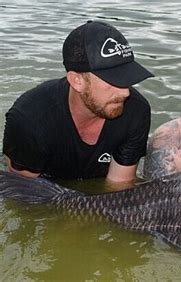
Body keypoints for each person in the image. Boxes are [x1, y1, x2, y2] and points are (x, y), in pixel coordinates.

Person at [2, 20, 154, 189]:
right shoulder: (29, 121)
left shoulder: (136, 111)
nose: (125, 92)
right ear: (77, 81)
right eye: (114, 81)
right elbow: (24, 199)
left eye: (127, 79)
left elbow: (118, 187)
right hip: (44, 185)